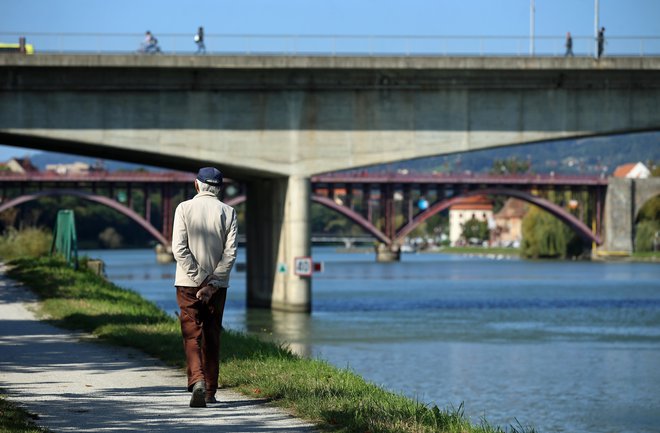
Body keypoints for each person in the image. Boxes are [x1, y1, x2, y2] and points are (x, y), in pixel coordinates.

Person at [172, 167, 237, 407]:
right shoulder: (229, 212)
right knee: (212, 335)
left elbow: (179, 249)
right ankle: (210, 391)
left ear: (196, 185)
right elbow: (230, 254)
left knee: (192, 335)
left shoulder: (183, 208)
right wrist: (212, 282)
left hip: (188, 284)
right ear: (219, 188)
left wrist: (199, 278)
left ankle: (197, 380)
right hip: (218, 287)